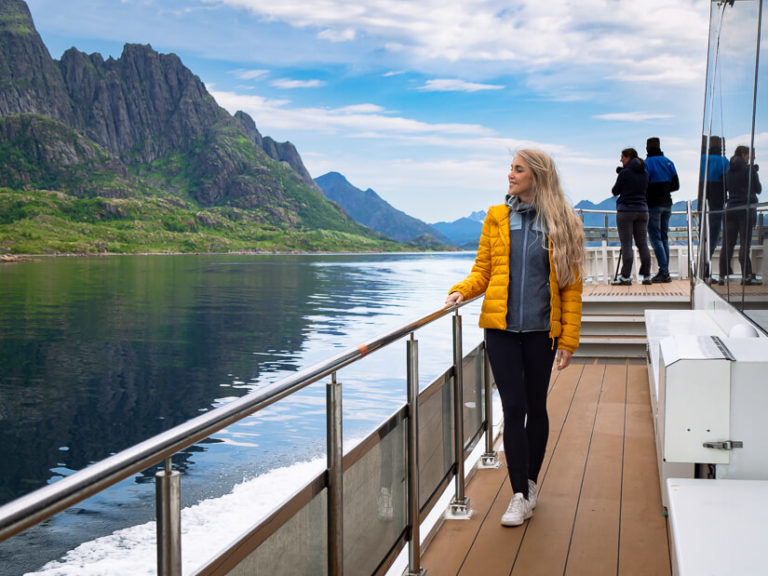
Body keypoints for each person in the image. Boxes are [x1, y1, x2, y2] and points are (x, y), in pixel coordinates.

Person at [445, 149, 584, 527]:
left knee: (536, 407)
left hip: (541, 333)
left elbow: (570, 287)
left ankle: (532, 482)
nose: (510, 175)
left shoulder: (563, 222)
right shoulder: (496, 217)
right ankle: (519, 494)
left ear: (536, 177)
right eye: (510, 168)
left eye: (517, 169)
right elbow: (484, 270)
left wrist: (568, 339)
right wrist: (462, 290)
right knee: (513, 408)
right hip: (500, 331)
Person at [719, 145, 762, 285]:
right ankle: (747, 276)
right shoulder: (749, 170)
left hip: (730, 209)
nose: (750, 158)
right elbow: (758, 189)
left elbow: (725, 189)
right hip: (745, 210)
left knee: (728, 244)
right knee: (745, 243)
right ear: (744, 154)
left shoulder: (728, 171)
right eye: (749, 156)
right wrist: (753, 172)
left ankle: (721, 276)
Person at [611, 148, 652, 285]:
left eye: (622, 157)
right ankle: (647, 276)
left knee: (627, 244)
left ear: (628, 157)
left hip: (626, 211)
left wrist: (621, 175)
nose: (620, 160)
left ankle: (626, 277)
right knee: (642, 244)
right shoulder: (645, 173)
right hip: (643, 210)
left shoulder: (625, 173)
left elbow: (615, 191)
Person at [645, 137, 679, 283]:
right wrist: (665, 190)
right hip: (667, 204)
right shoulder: (669, 162)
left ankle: (664, 272)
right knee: (664, 237)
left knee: (655, 238)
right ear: (659, 146)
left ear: (647, 148)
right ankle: (665, 271)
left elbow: (643, 185)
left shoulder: (646, 164)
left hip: (653, 205)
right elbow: (676, 185)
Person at [699, 135, 730, 265]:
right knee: (713, 233)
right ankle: (707, 262)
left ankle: (701, 263)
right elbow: (727, 182)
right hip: (717, 200)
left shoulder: (701, 159)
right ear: (721, 146)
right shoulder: (724, 161)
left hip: (702, 199)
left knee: (702, 232)